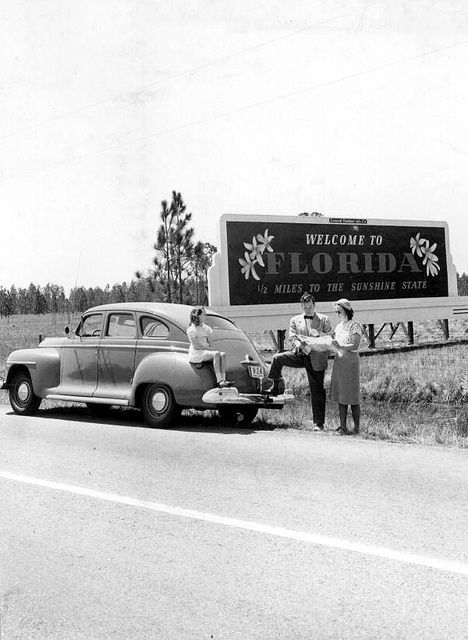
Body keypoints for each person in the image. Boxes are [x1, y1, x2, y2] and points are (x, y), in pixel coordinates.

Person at [268, 292, 333, 431]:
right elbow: (292, 336)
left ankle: (319, 423)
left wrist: (318, 334)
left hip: (316, 356)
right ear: (301, 306)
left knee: (317, 390)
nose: (307, 310)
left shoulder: (324, 319)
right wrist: (298, 344)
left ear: (314, 305)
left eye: (309, 307)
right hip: (300, 354)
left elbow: (330, 337)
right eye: (305, 308)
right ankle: (275, 386)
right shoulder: (295, 320)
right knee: (277, 358)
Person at [330, 298, 363, 435]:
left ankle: (356, 428)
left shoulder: (355, 325)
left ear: (347, 311)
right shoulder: (338, 326)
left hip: (350, 362)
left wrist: (340, 346)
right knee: (341, 395)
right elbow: (336, 344)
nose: (338, 314)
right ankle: (343, 426)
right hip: (340, 361)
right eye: (336, 312)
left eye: (340, 311)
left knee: (353, 396)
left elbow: (355, 345)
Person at [187, 307, 232, 388]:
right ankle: (219, 381)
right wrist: (210, 350)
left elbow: (210, 342)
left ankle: (223, 380)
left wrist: (211, 349)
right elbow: (196, 346)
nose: (206, 316)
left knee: (223, 354)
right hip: (197, 353)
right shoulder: (191, 330)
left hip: (205, 351)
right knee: (216, 354)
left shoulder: (206, 328)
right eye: (204, 314)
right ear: (198, 316)